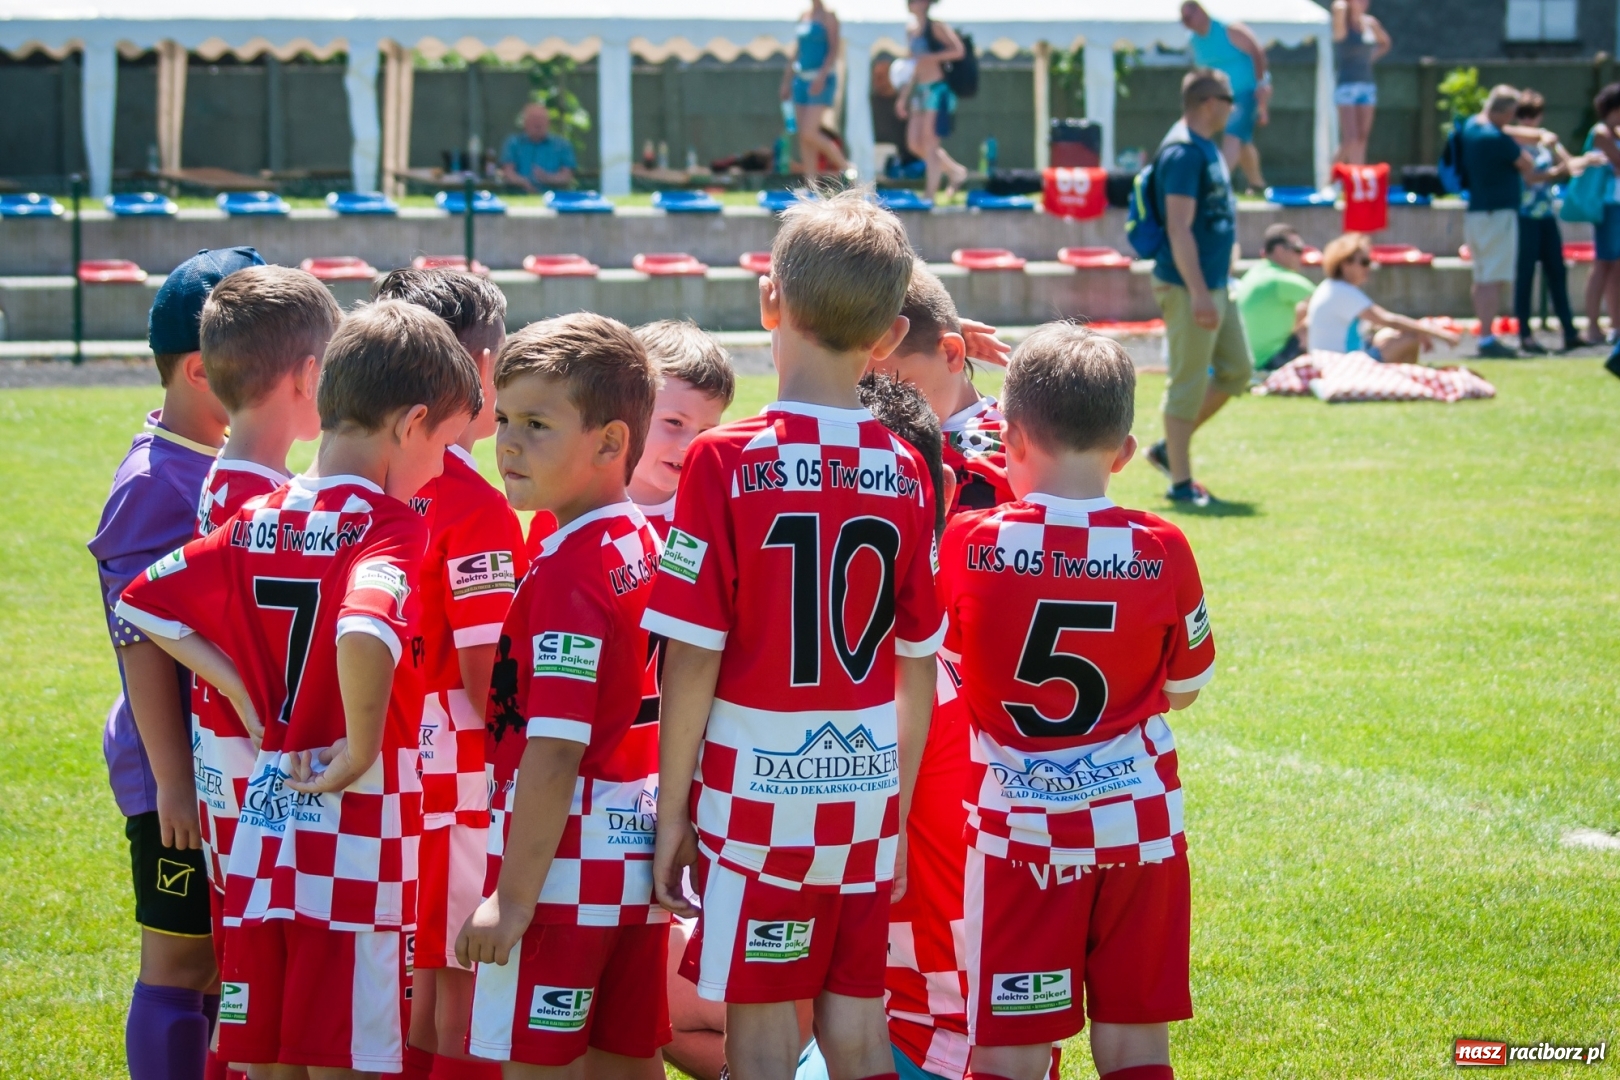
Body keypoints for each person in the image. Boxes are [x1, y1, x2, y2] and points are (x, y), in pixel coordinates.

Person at [116, 300, 481, 1077]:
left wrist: (246, 693)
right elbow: (365, 623)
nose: (444, 467)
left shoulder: (262, 513)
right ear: (413, 423)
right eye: (447, 445)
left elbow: (142, 601)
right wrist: (356, 743)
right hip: (355, 831)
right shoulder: (392, 525)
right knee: (345, 1051)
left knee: (274, 1050)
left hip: (266, 824)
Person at [645, 189, 941, 1080]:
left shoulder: (722, 460)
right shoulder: (903, 469)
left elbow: (692, 654)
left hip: (755, 789)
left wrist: (671, 813)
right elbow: (916, 670)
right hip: (861, 787)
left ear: (768, 299)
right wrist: (894, 815)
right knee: (855, 1025)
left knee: (764, 1032)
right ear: (890, 336)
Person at [940, 326, 1216, 1080]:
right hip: (1142, 829)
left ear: (1010, 436)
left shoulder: (970, 544)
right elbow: (1188, 686)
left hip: (1022, 831)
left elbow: (953, 662)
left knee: (1011, 1050)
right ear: (1125, 452)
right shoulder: (1162, 547)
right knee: (1135, 1045)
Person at [459, 314, 671, 1080]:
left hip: (561, 864)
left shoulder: (569, 574)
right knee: (625, 1060)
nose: (507, 443)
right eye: (504, 418)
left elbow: (554, 745)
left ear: (611, 443)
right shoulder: (647, 544)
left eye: (538, 424)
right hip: (633, 860)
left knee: (537, 1064)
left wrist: (512, 900)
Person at [87, 245, 263, 1080]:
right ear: (204, 369)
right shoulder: (156, 484)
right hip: (178, 778)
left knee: (225, 965)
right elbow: (143, 639)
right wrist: (172, 783)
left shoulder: (223, 465)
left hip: (222, 766)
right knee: (182, 963)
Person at [370, 268, 526, 1080]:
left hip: (391, 743)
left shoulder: (373, 477)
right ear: (480, 370)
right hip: (460, 764)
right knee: (462, 974)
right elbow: (483, 669)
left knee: (424, 968)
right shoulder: (475, 504)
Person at [190, 265, 341, 1034]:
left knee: (257, 961)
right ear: (311, 376)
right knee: (261, 973)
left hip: (236, 767)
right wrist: (251, 698)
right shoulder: (259, 502)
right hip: (254, 773)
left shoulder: (236, 479)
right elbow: (159, 611)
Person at [1144, 69, 1251, 508]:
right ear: (1210, 102)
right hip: (1191, 286)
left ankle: (1171, 448)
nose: (1232, 108)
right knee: (1187, 383)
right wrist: (1200, 292)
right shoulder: (1184, 152)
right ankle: (1181, 484)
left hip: (1215, 282)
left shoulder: (1206, 146)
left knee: (1238, 371)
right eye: (1228, 99)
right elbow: (1179, 226)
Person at [869, 262, 1013, 513]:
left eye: (897, 389)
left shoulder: (1020, 441)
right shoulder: (863, 438)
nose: (879, 408)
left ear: (951, 353)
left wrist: (934, 328)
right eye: (862, 391)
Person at [1460, 85, 1566, 359]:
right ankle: (1486, 339)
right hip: (1498, 216)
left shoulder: (1472, 127)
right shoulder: (1499, 141)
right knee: (1493, 279)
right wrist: (1562, 168)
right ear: (1506, 112)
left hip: (1476, 213)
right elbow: (1530, 170)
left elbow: (1509, 132)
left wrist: (1540, 135)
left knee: (1482, 277)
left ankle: (1484, 335)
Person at [629, 320, 737, 538]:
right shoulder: (574, 508)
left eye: (705, 431)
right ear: (625, 409)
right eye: (674, 422)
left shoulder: (714, 515)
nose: (689, 445)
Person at [1306, 233, 1461, 363]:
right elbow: (1388, 319)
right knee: (1409, 339)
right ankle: (1407, 382)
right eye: (1365, 262)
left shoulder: (1332, 287)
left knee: (1390, 334)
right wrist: (1438, 333)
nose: (1369, 268)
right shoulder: (1342, 291)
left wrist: (1416, 330)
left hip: (1334, 361)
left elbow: (1376, 325)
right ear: (1345, 264)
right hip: (1344, 364)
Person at [1509, 90, 1581, 354]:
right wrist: (1557, 172)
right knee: (1525, 275)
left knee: (1557, 272)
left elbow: (1570, 164)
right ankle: (1525, 334)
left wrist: (1554, 146)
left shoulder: (1541, 140)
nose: (1529, 121)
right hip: (1524, 217)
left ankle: (1569, 331)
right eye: (1524, 116)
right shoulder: (1513, 142)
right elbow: (1530, 178)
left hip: (1546, 216)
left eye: (1533, 116)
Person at [1180, 2, 1272, 189]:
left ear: (1201, 11)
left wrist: (1262, 85)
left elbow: (1257, 51)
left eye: (1188, 17)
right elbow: (1202, 72)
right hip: (1219, 98)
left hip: (1247, 92)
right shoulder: (1194, 41)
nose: (1186, 23)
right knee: (1243, 141)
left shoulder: (1230, 29)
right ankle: (1257, 183)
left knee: (1232, 136)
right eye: (1182, 20)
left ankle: (1217, 185)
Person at [897, 0, 969, 203]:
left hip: (937, 89)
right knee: (914, 144)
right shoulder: (911, 30)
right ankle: (955, 171)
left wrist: (930, 56)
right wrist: (903, 98)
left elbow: (958, 50)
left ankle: (930, 195)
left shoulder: (936, 26)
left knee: (930, 143)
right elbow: (913, 66)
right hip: (919, 89)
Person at [780, 1, 850, 180]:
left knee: (809, 131)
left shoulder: (829, 16)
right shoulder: (804, 15)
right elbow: (797, 50)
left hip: (821, 80)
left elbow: (834, 49)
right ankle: (810, 184)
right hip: (800, 80)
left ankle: (847, 167)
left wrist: (821, 76)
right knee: (804, 136)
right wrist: (786, 81)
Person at [1232, 224, 1316, 370]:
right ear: (1279, 250)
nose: (1301, 254)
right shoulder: (1280, 279)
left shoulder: (1256, 272)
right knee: (1315, 317)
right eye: (1297, 249)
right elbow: (1326, 300)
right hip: (1270, 361)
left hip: (1249, 360)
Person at [1583, 83, 1620, 348]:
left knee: (1615, 267)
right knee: (1604, 266)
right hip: (1608, 207)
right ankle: (1593, 325)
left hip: (1616, 205)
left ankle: (1615, 325)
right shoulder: (1601, 133)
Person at [1331, 0, 1390, 165]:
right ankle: (1330, 179)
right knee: (1350, 138)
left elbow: (1385, 43)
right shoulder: (1342, 24)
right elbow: (1338, 7)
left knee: (1362, 137)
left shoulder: (1370, 23)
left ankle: (1357, 178)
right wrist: (1346, 5)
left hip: (1367, 85)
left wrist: (1369, 59)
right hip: (1346, 86)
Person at [500, 102, 577, 192]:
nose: (538, 122)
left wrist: (547, 178)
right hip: (519, 197)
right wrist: (524, 182)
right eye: (533, 119)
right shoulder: (513, 143)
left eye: (542, 119)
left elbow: (567, 176)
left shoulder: (562, 145)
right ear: (525, 122)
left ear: (549, 122)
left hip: (554, 197)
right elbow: (508, 173)